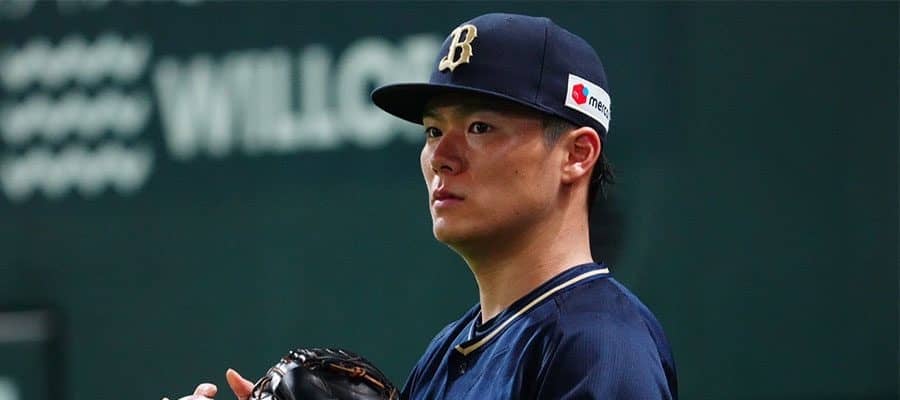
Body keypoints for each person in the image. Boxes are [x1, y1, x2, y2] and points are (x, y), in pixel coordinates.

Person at [175, 12, 677, 400]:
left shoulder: (600, 347)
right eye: (434, 131)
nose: (441, 156)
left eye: (480, 127)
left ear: (576, 154)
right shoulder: (446, 354)